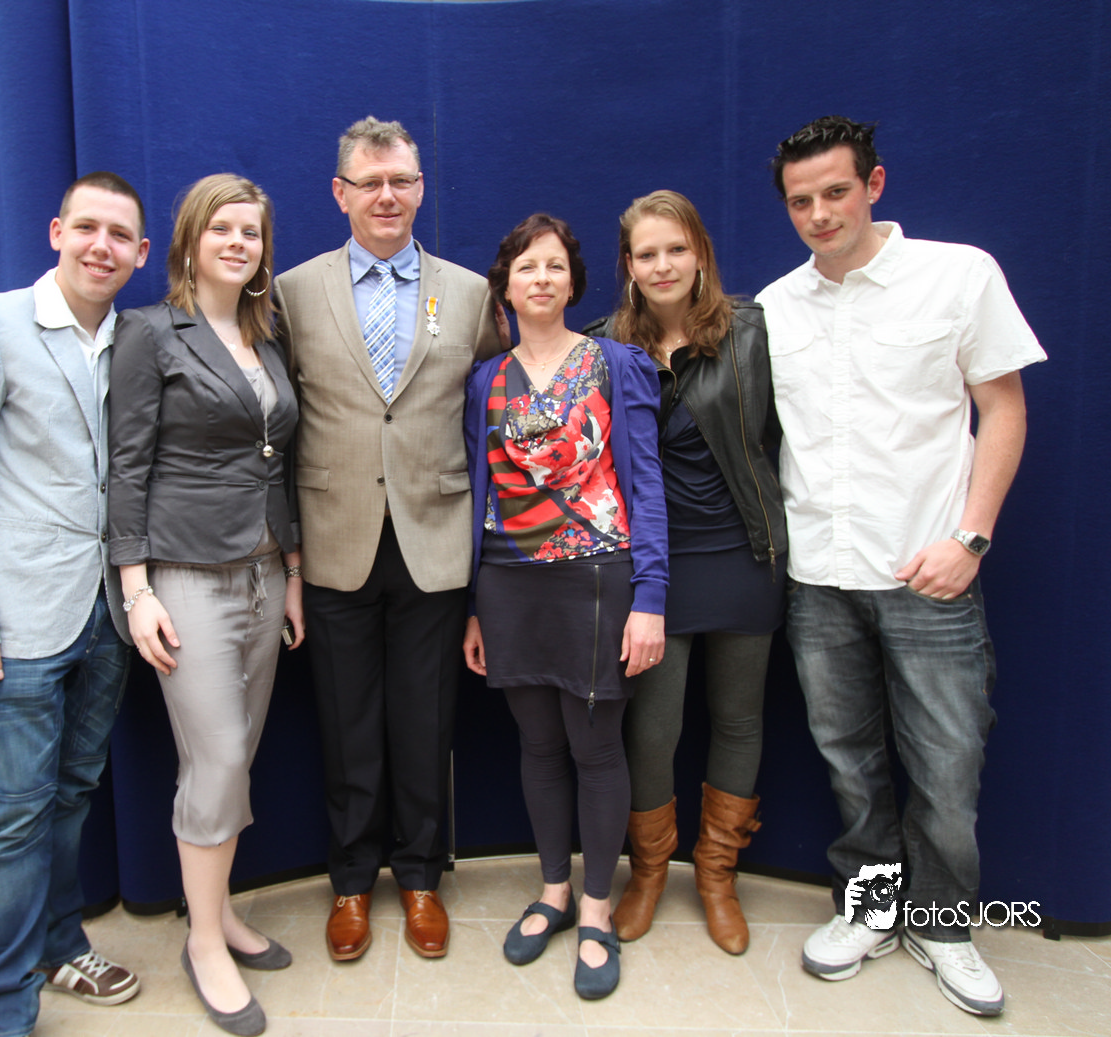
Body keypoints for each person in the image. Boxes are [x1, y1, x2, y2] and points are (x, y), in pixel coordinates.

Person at [757, 116, 1045, 1016]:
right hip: (818, 577)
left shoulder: (958, 275)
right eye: (800, 201)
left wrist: (971, 538)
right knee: (849, 763)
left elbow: (1003, 409)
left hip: (929, 573)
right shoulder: (774, 306)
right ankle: (873, 908)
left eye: (834, 192)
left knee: (948, 767)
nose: (818, 214)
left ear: (873, 185)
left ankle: (945, 925)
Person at [0, 171, 149, 1037]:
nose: (101, 246)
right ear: (57, 231)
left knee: (73, 790)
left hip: (107, 613)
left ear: (138, 253)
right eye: (86, 227)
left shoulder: (133, 339)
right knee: (15, 814)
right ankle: (4, 1004)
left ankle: (59, 943)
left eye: (118, 235)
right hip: (15, 622)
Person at [274, 116, 500, 962]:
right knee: (346, 726)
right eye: (369, 182)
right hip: (334, 538)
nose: (386, 196)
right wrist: (287, 555)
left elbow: (486, 404)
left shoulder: (467, 293)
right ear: (339, 193)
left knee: (424, 722)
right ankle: (349, 881)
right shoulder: (291, 292)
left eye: (401, 180)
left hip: (434, 540)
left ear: (420, 187)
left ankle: (419, 877)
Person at [108, 174, 303, 1037]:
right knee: (217, 757)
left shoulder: (266, 335)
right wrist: (136, 590)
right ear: (189, 240)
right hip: (184, 575)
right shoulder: (150, 332)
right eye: (221, 228)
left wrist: (292, 571)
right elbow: (126, 467)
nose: (237, 243)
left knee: (236, 755)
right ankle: (202, 941)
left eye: (250, 232)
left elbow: (277, 463)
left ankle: (218, 910)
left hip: (264, 573)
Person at [462, 213, 666, 1000]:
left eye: (554, 266)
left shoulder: (617, 363)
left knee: (595, 748)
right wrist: (473, 606)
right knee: (538, 745)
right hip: (508, 584)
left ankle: (595, 909)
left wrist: (650, 598)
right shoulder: (484, 378)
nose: (541, 278)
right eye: (526, 267)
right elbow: (478, 494)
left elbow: (644, 484)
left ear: (573, 282)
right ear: (506, 287)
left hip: (597, 582)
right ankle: (552, 890)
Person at [590, 191, 787, 956]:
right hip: (653, 570)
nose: (662, 265)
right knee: (653, 729)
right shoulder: (605, 346)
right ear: (628, 266)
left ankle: (715, 875)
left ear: (699, 253)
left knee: (738, 719)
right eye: (646, 254)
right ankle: (647, 873)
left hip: (742, 555)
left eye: (675, 249)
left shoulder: (751, 332)